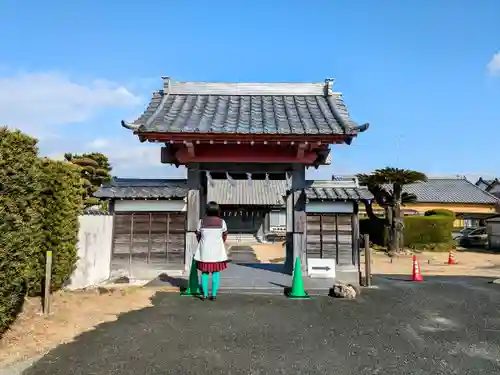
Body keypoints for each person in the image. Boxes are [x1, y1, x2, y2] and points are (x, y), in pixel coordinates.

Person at [193, 201, 228, 301]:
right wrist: (220, 243)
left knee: (204, 273)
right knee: (215, 272)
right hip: (217, 252)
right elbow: (224, 235)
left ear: (207, 210)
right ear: (217, 210)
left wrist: (202, 243)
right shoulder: (222, 222)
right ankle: (213, 294)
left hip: (204, 252)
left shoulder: (201, 221)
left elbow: (198, 235)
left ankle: (204, 294)